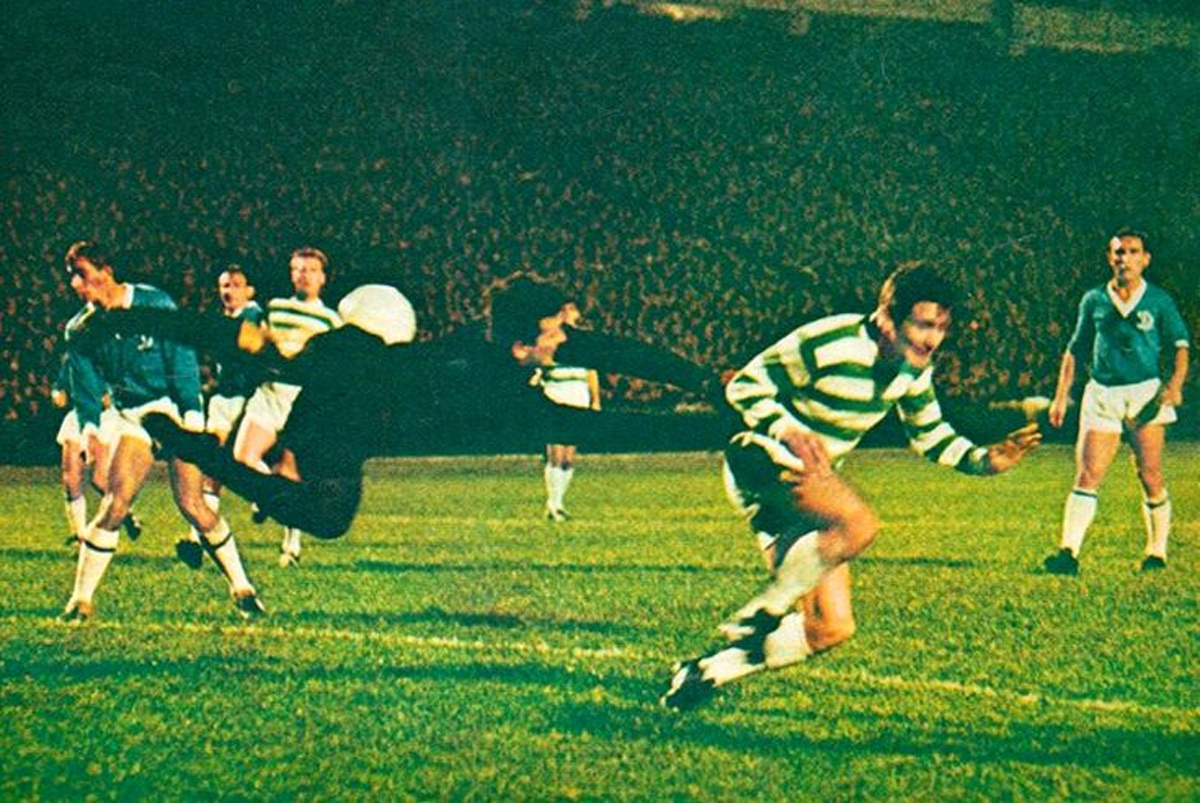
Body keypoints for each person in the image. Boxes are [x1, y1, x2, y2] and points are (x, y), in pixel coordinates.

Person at [661, 263, 1042, 711]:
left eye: (941, 328)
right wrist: (787, 428)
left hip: (805, 486)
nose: (932, 339)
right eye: (922, 325)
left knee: (830, 627)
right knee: (858, 524)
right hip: (761, 456)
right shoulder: (829, 342)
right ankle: (763, 611)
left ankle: (708, 670)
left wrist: (984, 460)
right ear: (887, 317)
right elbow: (744, 386)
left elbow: (929, 434)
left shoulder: (913, 369)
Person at [90, 278, 717, 542]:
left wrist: (703, 380)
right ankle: (200, 450)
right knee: (327, 518)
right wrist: (716, 425)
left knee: (266, 355)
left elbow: (613, 349)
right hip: (348, 409)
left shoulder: (505, 341)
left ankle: (201, 448)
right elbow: (600, 428)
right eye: (557, 332)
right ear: (525, 344)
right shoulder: (497, 392)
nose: (567, 339)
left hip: (370, 386)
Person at [58, 240, 264, 622]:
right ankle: (80, 601)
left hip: (171, 409)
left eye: (82, 274)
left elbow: (181, 360)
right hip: (132, 416)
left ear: (106, 271)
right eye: (72, 276)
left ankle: (242, 588)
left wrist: (192, 414)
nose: (75, 284)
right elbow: (85, 390)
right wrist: (91, 433)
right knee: (115, 504)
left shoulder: (154, 303)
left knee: (193, 505)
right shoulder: (81, 329)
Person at [1042, 229, 1189, 575]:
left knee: (1149, 474)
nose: (1125, 258)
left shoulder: (1159, 300)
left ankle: (1156, 551)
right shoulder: (1094, 299)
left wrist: (1174, 385)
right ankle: (1068, 552)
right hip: (1103, 394)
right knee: (1088, 474)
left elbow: (1180, 346)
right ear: (1110, 258)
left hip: (1145, 395)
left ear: (1145, 259)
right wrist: (1061, 396)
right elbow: (1075, 350)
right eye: (1119, 252)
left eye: (1133, 252)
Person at [232, 246, 341, 568]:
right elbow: (261, 342)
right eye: (299, 269)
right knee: (244, 457)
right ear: (292, 274)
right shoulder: (276, 308)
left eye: (311, 270)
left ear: (322, 278)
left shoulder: (331, 319)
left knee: (292, 474)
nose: (304, 275)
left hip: (302, 400)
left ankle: (291, 545)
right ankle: (266, 495)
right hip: (270, 394)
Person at [176, 265, 265, 569]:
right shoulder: (225, 319)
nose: (229, 291)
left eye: (236, 285)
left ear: (250, 290)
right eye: (225, 285)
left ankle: (286, 531)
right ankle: (195, 538)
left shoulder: (255, 317)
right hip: (223, 400)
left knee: (242, 462)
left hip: (248, 401)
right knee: (212, 468)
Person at [530, 301, 600, 522]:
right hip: (555, 398)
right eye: (567, 310)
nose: (571, 314)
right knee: (556, 455)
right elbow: (540, 363)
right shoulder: (550, 338)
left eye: (573, 310)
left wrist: (595, 399)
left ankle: (557, 503)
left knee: (568, 458)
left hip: (578, 400)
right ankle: (554, 504)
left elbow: (591, 371)